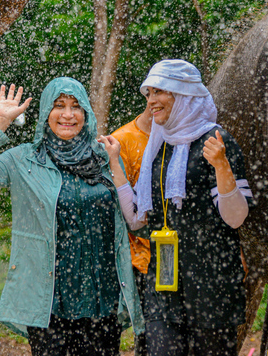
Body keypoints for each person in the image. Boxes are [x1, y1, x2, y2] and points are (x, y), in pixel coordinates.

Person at [0, 78, 143, 356]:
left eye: (76, 107)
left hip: (102, 295)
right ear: (47, 112)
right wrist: (1, 122)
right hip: (49, 299)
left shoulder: (106, 157)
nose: (68, 115)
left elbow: (132, 213)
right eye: (59, 106)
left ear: (86, 114)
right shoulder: (25, 160)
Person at [116, 60, 253, 356]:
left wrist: (222, 166)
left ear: (184, 95)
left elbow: (236, 218)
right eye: (149, 93)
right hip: (164, 285)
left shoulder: (216, 141)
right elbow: (137, 219)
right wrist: (115, 163)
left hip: (211, 285)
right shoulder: (158, 146)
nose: (151, 101)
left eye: (159, 92)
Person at [111, 101, 152, 356]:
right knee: (145, 335)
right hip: (135, 259)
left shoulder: (184, 136)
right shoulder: (122, 140)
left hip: (179, 256)